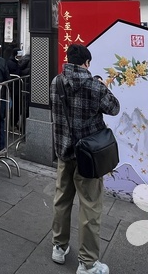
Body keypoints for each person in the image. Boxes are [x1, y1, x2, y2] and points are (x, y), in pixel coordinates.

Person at [51, 44, 119, 274]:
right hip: (88, 157)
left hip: (64, 151)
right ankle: (87, 262)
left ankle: (59, 247)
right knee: (90, 206)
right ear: (87, 63)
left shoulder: (56, 82)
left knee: (61, 200)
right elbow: (114, 108)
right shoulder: (94, 86)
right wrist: (104, 86)